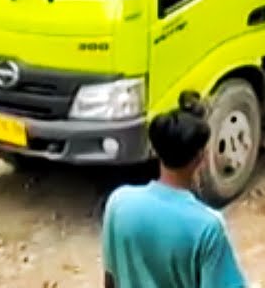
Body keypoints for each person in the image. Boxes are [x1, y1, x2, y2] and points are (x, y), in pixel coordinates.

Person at [102, 92, 247, 288]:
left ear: (156, 150)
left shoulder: (119, 203)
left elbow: (110, 280)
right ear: (200, 157)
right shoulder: (207, 227)